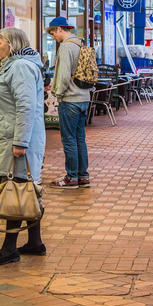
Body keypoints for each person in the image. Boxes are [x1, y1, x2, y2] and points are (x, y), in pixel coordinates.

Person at [0, 27, 46, 265]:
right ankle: (35, 242)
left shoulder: (20, 67)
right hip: (13, 136)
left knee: (16, 189)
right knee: (27, 188)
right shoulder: (17, 65)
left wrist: (20, 142)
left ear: (11, 44)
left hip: (18, 139)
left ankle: (9, 249)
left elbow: (26, 106)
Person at [46, 17, 91, 189]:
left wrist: (57, 93)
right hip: (84, 97)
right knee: (80, 138)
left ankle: (71, 177)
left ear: (59, 29)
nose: (53, 37)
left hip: (70, 99)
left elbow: (63, 75)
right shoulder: (81, 44)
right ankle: (83, 175)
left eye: (52, 33)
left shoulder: (65, 47)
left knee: (69, 139)